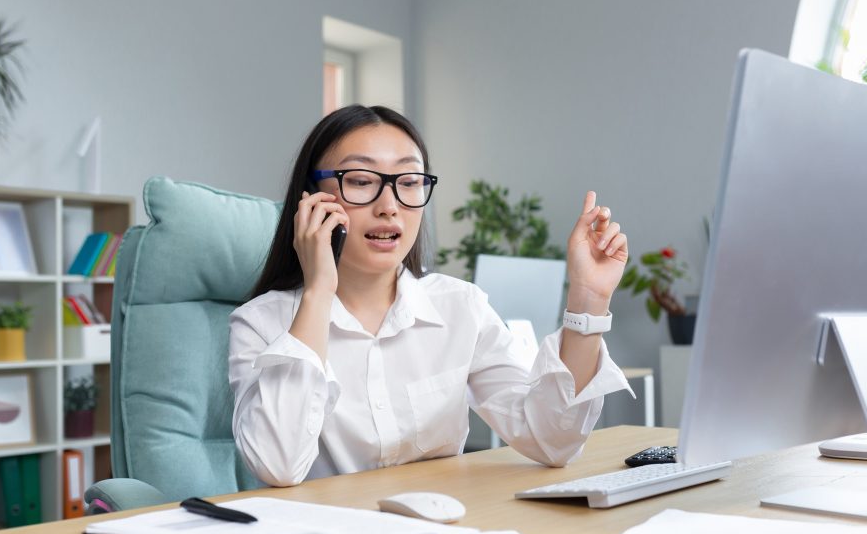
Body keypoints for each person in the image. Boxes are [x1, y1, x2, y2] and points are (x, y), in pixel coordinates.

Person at [229, 105, 633, 487]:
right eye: (360, 181)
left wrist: (588, 299)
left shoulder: (461, 307)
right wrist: (318, 291)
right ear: (312, 200)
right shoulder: (262, 323)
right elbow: (277, 466)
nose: (390, 207)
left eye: (408, 183)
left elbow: (551, 440)